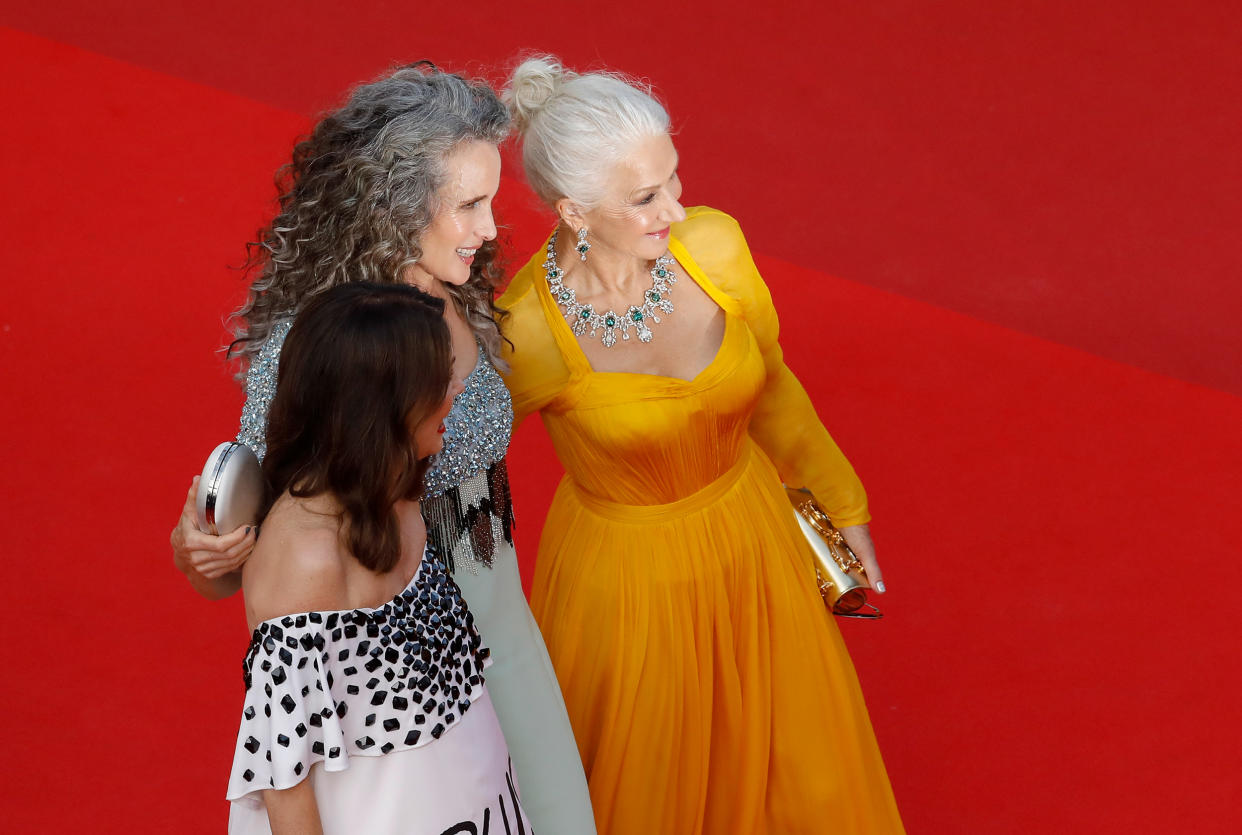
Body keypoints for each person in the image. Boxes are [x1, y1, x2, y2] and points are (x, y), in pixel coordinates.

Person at [172, 63, 595, 833]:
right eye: (469, 204)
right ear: (394, 206)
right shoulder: (323, 351)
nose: (492, 227)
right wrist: (198, 549)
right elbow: (254, 560)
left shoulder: (460, 282)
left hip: (503, 637)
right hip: (397, 695)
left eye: (491, 199)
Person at [499, 57, 905, 834]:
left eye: (674, 180)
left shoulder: (714, 247)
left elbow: (775, 388)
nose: (676, 210)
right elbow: (445, 470)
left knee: (806, 783)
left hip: (754, 550)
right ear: (574, 211)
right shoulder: (526, 334)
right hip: (624, 598)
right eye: (646, 197)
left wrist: (842, 502)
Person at [227, 281, 530, 833]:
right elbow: (285, 784)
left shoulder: (400, 484)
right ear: (382, 408)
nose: (456, 390)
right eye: (437, 382)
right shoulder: (306, 562)